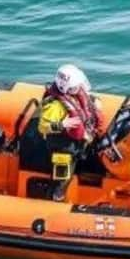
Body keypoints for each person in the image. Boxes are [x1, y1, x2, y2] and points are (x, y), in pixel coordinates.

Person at [38, 64, 105, 201]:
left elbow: (85, 104)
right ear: (65, 88)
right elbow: (43, 126)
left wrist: (95, 104)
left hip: (77, 143)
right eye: (75, 87)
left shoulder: (77, 93)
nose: (78, 88)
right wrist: (62, 124)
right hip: (62, 148)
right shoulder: (54, 105)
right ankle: (55, 199)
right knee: (62, 179)